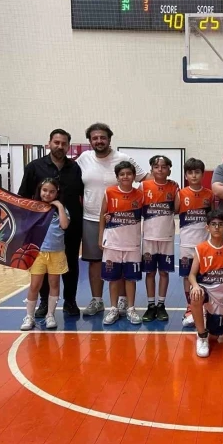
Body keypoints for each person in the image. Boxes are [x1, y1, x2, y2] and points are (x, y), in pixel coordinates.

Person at [76, 123, 148, 316]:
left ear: (109, 139)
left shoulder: (123, 158)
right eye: (95, 138)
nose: (99, 141)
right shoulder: (83, 158)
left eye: (103, 137)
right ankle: (97, 300)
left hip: (122, 223)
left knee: (122, 262)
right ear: (90, 141)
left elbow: (145, 178)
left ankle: (123, 301)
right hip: (92, 218)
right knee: (95, 262)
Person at [18, 129, 83, 317]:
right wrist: (26, 225)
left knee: (71, 263)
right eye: (56, 142)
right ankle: (44, 303)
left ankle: (70, 301)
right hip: (42, 228)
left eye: (64, 143)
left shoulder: (75, 168)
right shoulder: (34, 167)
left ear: (68, 146)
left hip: (70, 225)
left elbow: (81, 194)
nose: (60, 146)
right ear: (49, 143)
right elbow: (23, 197)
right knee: (44, 265)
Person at [187, 210, 223, 358]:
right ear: (207, 227)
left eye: (220, 224)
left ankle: (203, 316)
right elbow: (191, 275)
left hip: (219, 297)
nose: (217, 227)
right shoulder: (201, 248)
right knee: (196, 295)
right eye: (213, 224)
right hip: (204, 288)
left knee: (215, 337)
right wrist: (195, 286)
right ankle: (201, 336)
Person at [20, 178, 70, 331]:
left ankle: (50, 315)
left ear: (57, 193)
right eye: (45, 190)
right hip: (38, 253)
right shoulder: (33, 208)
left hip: (57, 252)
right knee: (35, 285)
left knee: (54, 284)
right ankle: (29, 316)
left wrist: (59, 206)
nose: (48, 194)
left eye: (52, 191)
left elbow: (64, 225)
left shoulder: (61, 209)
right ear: (40, 190)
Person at [99, 161, 144, 325]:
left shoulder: (140, 195)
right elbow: (102, 214)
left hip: (132, 244)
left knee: (131, 279)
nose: (126, 176)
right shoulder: (109, 192)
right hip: (112, 242)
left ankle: (131, 309)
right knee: (113, 279)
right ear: (117, 177)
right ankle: (113, 308)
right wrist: (100, 237)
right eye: (122, 174)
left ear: (134, 176)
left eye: (129, 174)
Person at [141, 155, 180, 322]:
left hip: (167, 236)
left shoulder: (174, 187)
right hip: (149, 236)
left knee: (164, 272)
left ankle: (161, 305)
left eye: (164, 167)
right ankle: (151, 305)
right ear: (151, 170)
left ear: (169, 170)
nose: (160, 169)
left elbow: (177, 209)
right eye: (156, 167)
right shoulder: (143, 186)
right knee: (150, 272)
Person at [177, 158, 213, 327]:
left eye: (197, 172)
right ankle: (190, 306)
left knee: (204, 276)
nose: (193, 175)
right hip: (186, 242)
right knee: (187, 276)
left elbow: (213, 217)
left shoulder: (209, 194)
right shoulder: (180, 194)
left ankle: (204, 306)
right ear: (186, 175)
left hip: (204, 243)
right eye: (190, 172)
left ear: (202, 174)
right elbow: (172, 211)